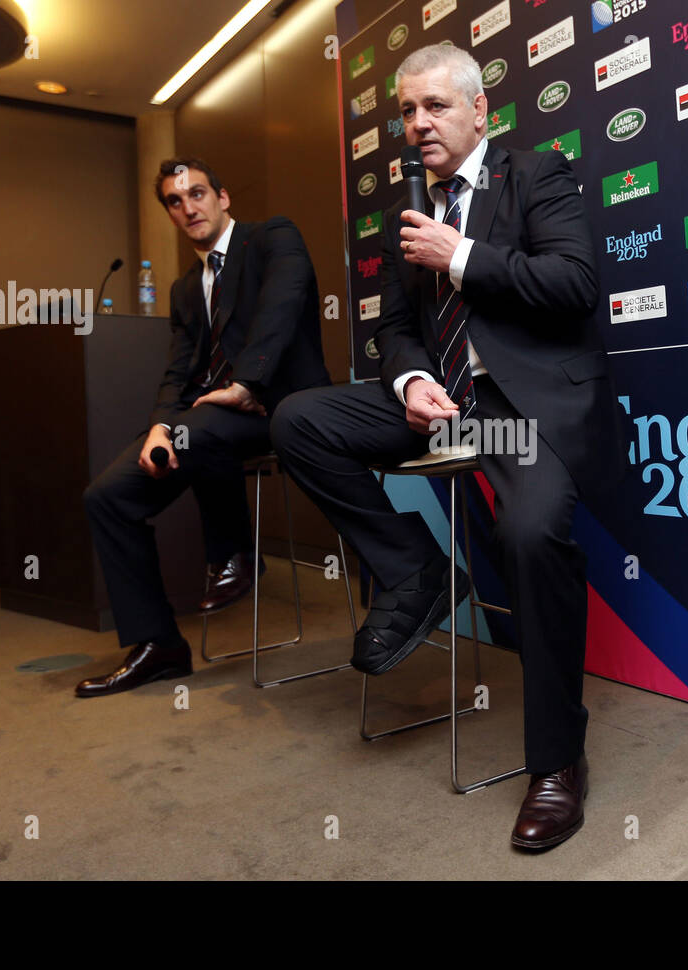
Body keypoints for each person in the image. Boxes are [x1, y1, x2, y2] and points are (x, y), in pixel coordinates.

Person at [271, 45, 624, 850]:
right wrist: (408, 384)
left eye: (434, 106)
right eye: (406, 110)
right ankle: (416, 569)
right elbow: (395, 329)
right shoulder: (410, 205)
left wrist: (458, 256)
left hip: (513, 406)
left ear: (479, 113)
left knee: (530, 533)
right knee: (298, 419)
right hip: (440, 402)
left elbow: (574, 284)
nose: (417, 123)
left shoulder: (536, 175)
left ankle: (558, 762)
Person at [76, 157, 329, 698]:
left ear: (223, 196)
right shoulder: (185, 288)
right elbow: (178, 369)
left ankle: (233, 554)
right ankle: (158, 645)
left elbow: (282, 309)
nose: (188, 206)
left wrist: (247, 384)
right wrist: (159, 430)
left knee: (207, 423)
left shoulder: (271, 239)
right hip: (208, 423)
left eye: (197, 193)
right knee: (108, 497)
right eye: (174, 199)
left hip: (284, 410)